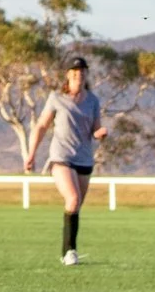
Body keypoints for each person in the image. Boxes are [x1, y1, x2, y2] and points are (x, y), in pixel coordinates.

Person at [23, 56, 105, 265]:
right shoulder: (56, 98)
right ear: (68, 75)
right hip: (61, 157)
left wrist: (100, 133)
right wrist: (31, 154)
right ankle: (70, 252)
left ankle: (66, 250)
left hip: (84, 159)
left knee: (75, 206)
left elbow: (95, 128)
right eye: (75, 72)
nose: (79, 75)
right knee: (73, 199)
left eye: (82, 71)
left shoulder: (93, 100)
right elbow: (41, 126)